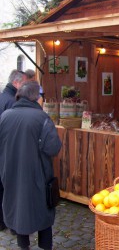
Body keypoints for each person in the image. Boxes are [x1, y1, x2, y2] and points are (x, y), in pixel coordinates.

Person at [0, 81, 62, 250]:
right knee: (43, 211)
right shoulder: (42, 118)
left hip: (11, 174)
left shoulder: (4, 116)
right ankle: (45, 246)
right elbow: (53, 148)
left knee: (18, 208)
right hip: (38, 176)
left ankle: (23, 245)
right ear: (36, 98)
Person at [0, 69, 30, 231]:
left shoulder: (2, 97)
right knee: (9, 189)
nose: (25, 86)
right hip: (8, 152)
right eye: (24, 83)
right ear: (16, 83)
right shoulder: (12, 102)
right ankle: (10, 222)